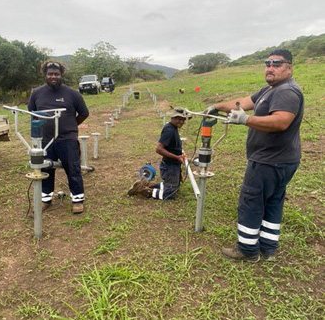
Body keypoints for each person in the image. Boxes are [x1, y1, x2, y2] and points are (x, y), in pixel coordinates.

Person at [205, 49, 304, 262]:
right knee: (273, 201)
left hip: (270, 160)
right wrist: (216, 107)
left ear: (289, 67)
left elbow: (281, 121)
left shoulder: (286, 91)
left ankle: (247, 251)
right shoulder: (269, 89)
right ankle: (268, 248)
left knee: (251, 201)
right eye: (267, 63)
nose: (270, 67)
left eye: (277, 64)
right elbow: (242, 103)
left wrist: (246, 120)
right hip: (280, 160)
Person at [28, 61, 89, 214]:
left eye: (56, 74)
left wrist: (70, 126)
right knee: (46, 168)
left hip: (67, 139)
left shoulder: (72, 94)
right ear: (45, 75)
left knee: (73, 169)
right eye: (50, 74)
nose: (53, 77)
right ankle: (46, 199)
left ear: (61, 75)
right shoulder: (36, 93)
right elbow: (32, 114)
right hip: (46, 140)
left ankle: (77, 200)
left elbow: (84, 113)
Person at [128, 107, 190, 200]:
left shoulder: (173, 128)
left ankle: (148, 185)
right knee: (170, 193)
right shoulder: (169, 130)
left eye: (183, 119)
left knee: (173, 187)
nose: (181, 121)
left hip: (172, 165)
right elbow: (159, 149)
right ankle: (143, 190)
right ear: (172, 117)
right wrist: (177, 157)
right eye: (179, 119)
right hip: (170, 166)